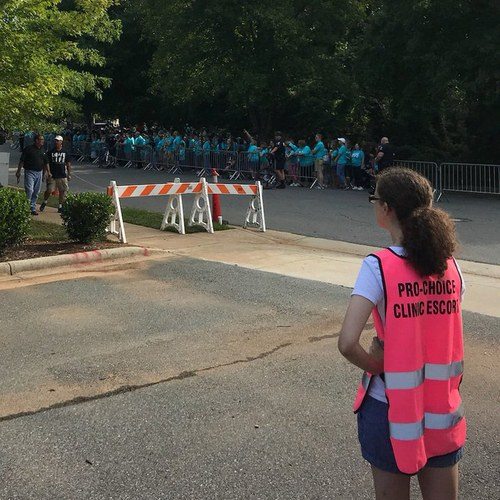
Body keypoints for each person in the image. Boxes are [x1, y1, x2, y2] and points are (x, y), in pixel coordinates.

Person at [338, 168, 465, 500]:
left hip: (389, 407)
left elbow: (347, 342)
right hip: (441, 407)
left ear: (388, 209)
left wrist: (377, 364)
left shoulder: (378, 266)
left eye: (374, 199)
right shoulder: (450, 266)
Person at [16, 134, 48, 215]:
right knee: (30, 190)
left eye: (43, 139)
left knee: (36, 191)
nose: (43, 141)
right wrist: (18, 171)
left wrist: (45, 173)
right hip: (30, 172)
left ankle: (32, 207)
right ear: (36, 140)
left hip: (39, 172)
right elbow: (22, 161)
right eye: (41, 139)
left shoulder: (43, 150)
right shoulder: (28, 149)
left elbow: (45, 163)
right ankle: (26, 206)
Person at [40, 135, 71, 213]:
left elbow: (68, 163)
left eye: (58, 141)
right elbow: (46, 163)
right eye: (55, 141)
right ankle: (45, 201)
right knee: (49, 190)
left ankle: (60, 206)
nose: (56, 142)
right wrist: (46, 173)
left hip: (62, 175)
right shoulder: (50, 152)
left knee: (63, 191)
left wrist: (69, 174)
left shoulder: (65, 152)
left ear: (61, 142)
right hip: (52, 175)